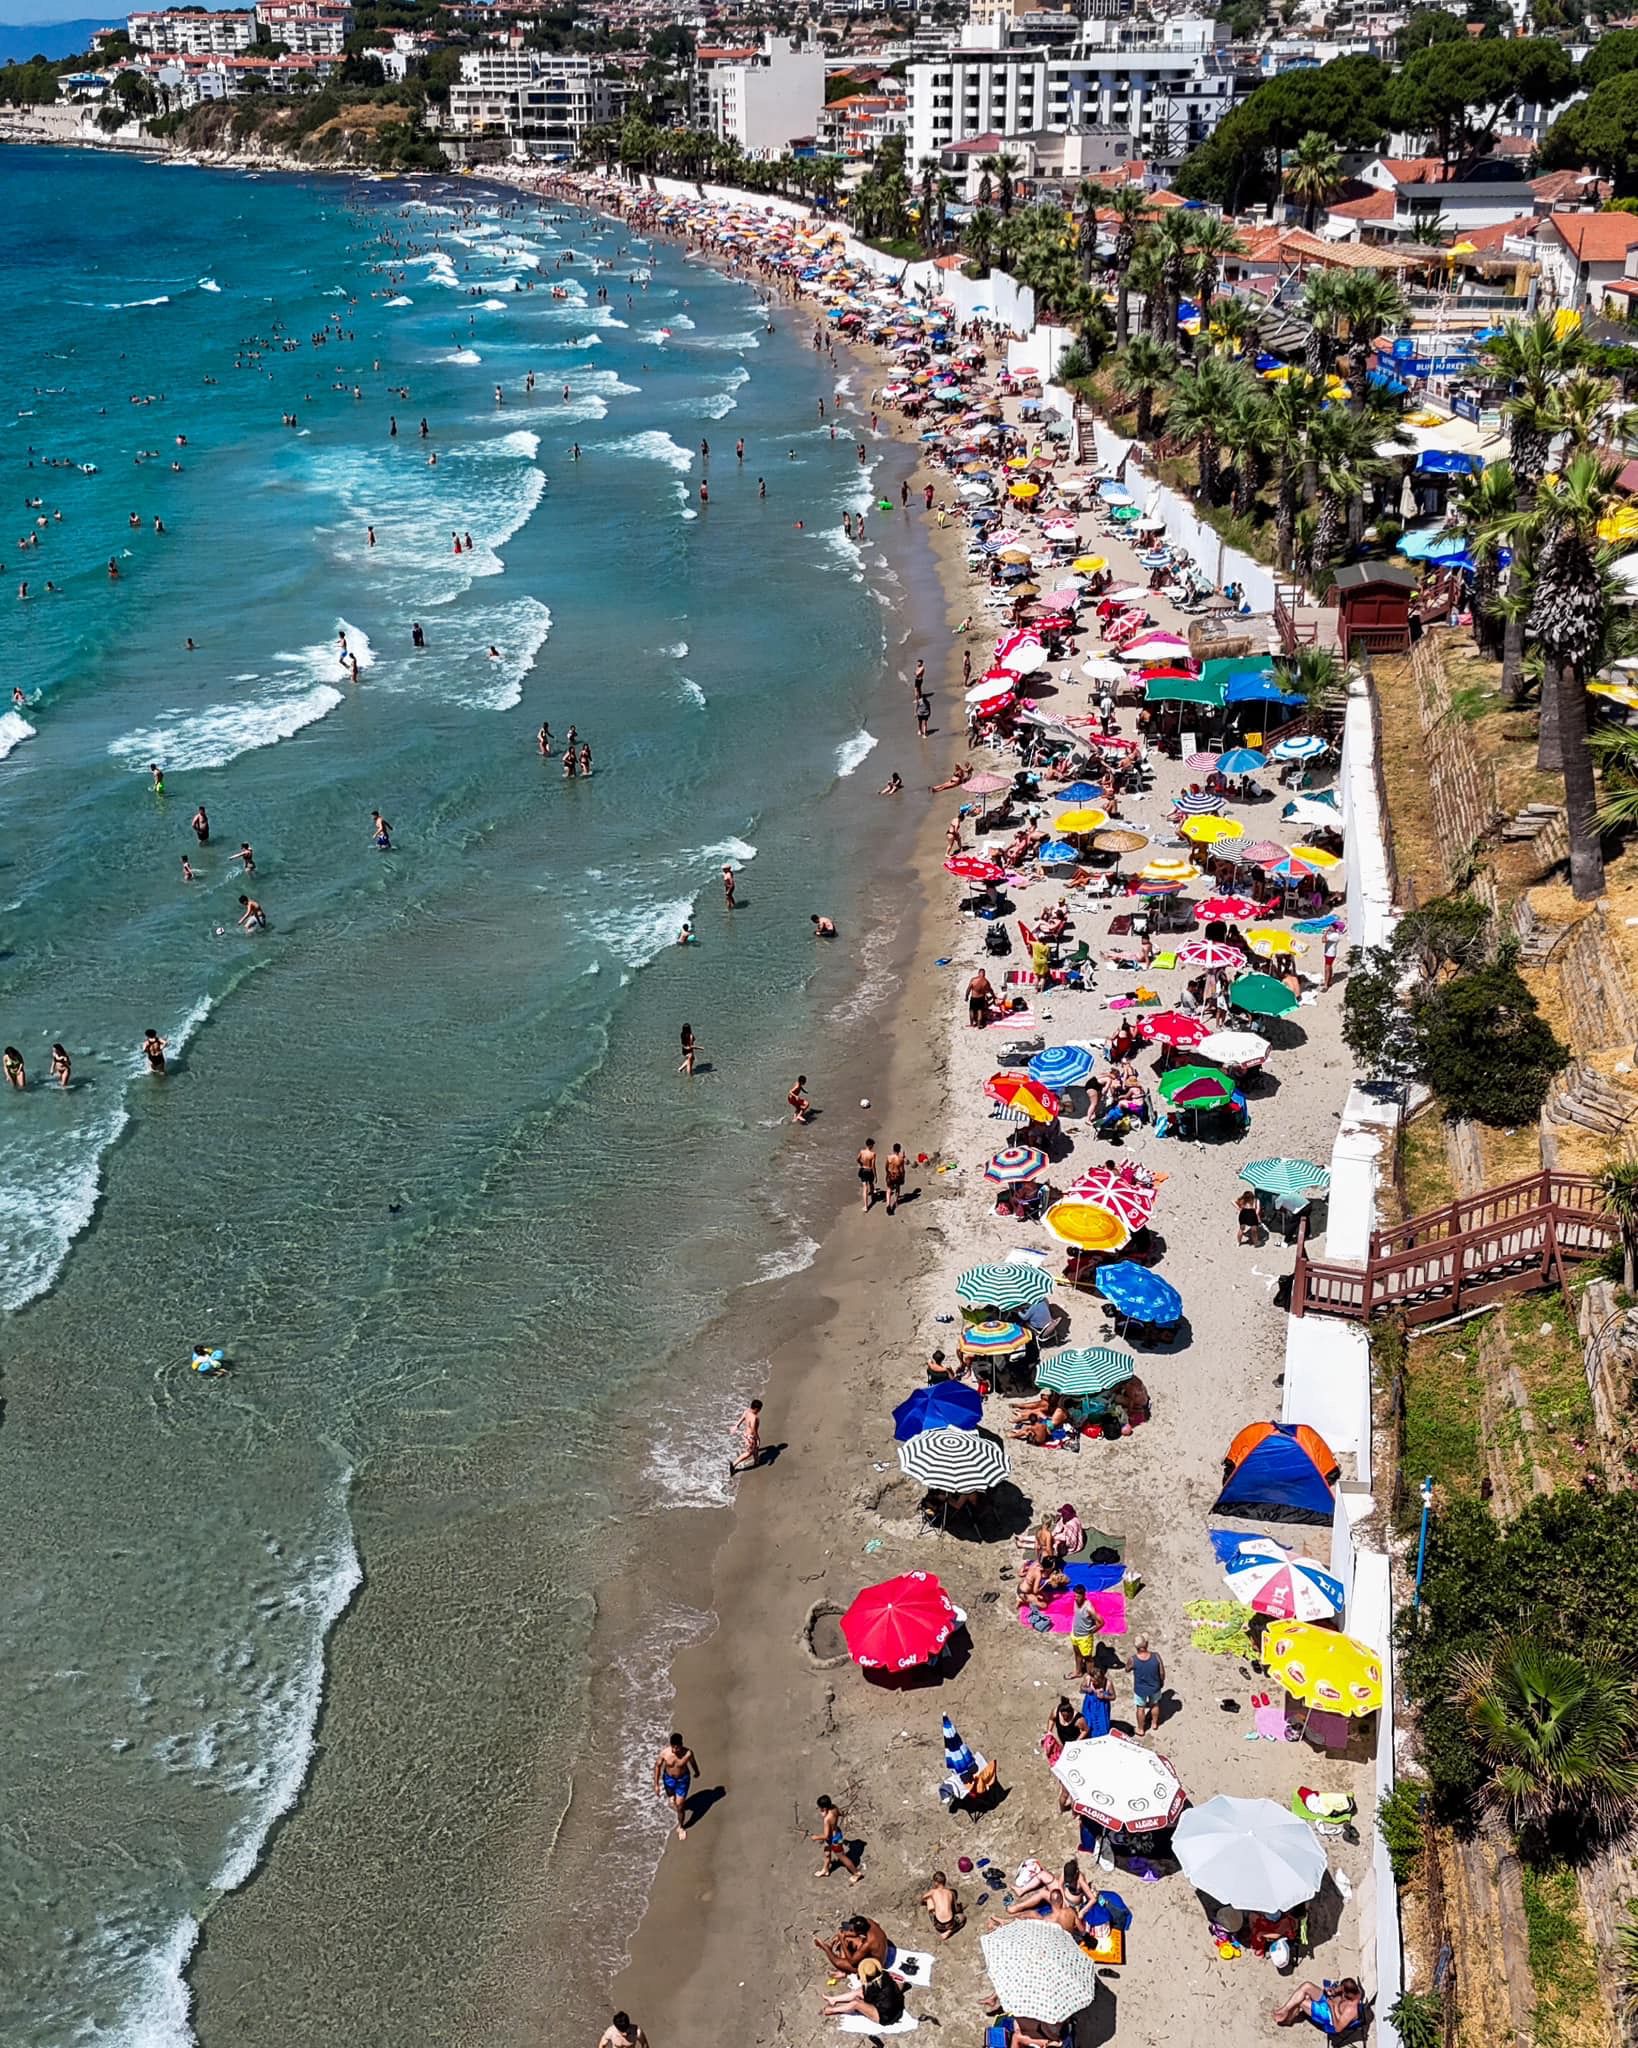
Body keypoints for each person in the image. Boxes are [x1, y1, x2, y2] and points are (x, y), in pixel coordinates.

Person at [820, 1958, 905, 2027]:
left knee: (856, 2003)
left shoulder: (872, 1989)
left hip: (887, 2016)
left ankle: (832, 2010)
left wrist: (861, 2000)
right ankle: (834, 1999)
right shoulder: (884, 1975)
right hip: (893, 2004)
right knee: (860, 1991)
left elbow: (866, 2000)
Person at [1273, 1979, 1366, 2034]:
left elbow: (1337, 2028)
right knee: (1307, 1986)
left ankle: (1289, 2020)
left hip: (1329, 2016)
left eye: (1343, 1993)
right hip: (1329, 2002)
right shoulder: (1355, 1991)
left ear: (1348, 1995)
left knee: (1302, 2001)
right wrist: (1332, 1991)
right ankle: (1285, 2009)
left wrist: (1332, 2007)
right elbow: (1339, 1990)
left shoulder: (1351, 2010)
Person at [653, 1732, 699, 1840]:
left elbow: (693, 1763)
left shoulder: (688, 1753)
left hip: (682, 1780)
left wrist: (696, 1771)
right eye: (673, 1747)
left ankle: (681, 1826)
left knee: (680, 1806)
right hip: (668, 1779)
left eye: (677, 1747)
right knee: (671, 1796)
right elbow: (657, 1766)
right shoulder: (665, 1753)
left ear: (681, 1745)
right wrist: (656, 1785)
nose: (674, 1750)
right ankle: (672, 1797)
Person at [812, 1794, 862, 1882]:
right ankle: (825, 1870)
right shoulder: (834, 1808)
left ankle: (856, 1873)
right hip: (837, 1834)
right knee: (827, 1853)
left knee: (842, 1857)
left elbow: (826, 1836)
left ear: (824, 1808)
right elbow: (841, 1813)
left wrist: (816, 1837)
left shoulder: (827, 1819)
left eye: (820, 1808)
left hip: (834, 1840)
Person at [814, 1916, 889, 1974]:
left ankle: (826, 1948)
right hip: (879, 1950)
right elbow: (855, 1933)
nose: (849, 1931)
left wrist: (842, 1940)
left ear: (860, 1932)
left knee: (838, 1962)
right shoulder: (870, 1923)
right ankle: (844, 1970)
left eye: (851, 1930)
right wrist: (844, 1935)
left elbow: (852, 1962)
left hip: (875, 1966)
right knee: (847, 1939)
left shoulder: (868, 1944)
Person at [1131, 1634, 1166, 1734]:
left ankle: (1141, 1729)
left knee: (1140, 1708)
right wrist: (1161, 1682)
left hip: (1140, 1688)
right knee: (1155, 1704)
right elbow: (1162, 1672)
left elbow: (1127, 1668)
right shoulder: (1156, 1656)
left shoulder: (1133, 1659)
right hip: (1155, 1686)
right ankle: (1154, 1724)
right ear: (1146, 1644)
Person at [1067, 1584, 1100, 1682]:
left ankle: (1090, 1676)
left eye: (1078, 1596)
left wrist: (1093, 1631)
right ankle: (1078, 1672)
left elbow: (1101, 1622)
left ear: (1084, 1595)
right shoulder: (1075, 1602)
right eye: (1075, 1596)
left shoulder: (1089, 1608)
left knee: (1088, 1658)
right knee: (1077, 1654)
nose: (1076, 1598)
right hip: (1075, 1634)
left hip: (1084, 1637)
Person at [922, 1870, 964, 1941]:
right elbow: (956, 1910)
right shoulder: (951, 1893)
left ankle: (946, 1931)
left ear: (935, 1882)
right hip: (950, 1924)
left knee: (929, 1899)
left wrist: (927, 1903)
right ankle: (949, 1931)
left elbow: (923, 1898)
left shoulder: (933, 1892)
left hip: (938, 1924)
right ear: (945, 1881)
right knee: (963, 1917)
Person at [729, 1398, 764, 1476]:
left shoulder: (747, 1411)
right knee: (749, 1452)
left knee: (755, 1448)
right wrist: (757, 1438)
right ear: (756, 1409)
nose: (759, 1411)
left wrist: (736, 1426)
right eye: (759, 1409)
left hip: (745, 1435)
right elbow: (753, 1429)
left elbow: (741, 1419)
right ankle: (734, 1464)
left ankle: (757, 1461)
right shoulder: (754, 1417)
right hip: (751, 1437)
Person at [883, 1142, 908, 1215]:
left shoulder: (889, 1157)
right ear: (899, 1150)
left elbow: (886, 1166)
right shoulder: (900, 1159)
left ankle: (888, 1204)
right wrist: (903, 1176)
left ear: (893, 1149)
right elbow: (902, 1170)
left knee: (889, 1189)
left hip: (890, 1174)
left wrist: (887, 1172)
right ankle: (896, 1202)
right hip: (897, 1175)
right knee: (897, 1188)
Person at [856, 1136, 877, 1212]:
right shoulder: (873, 1154)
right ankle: (873, 1195)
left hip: (863, 1170)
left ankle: (866, 1206)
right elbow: (873, 1166)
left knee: (865, 1187)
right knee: (871, 1183)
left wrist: (861, 1164)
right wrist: (876, 1175)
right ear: (871, 1145)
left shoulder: (862, 1152)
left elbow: (857, 1159)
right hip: (869, 1170)